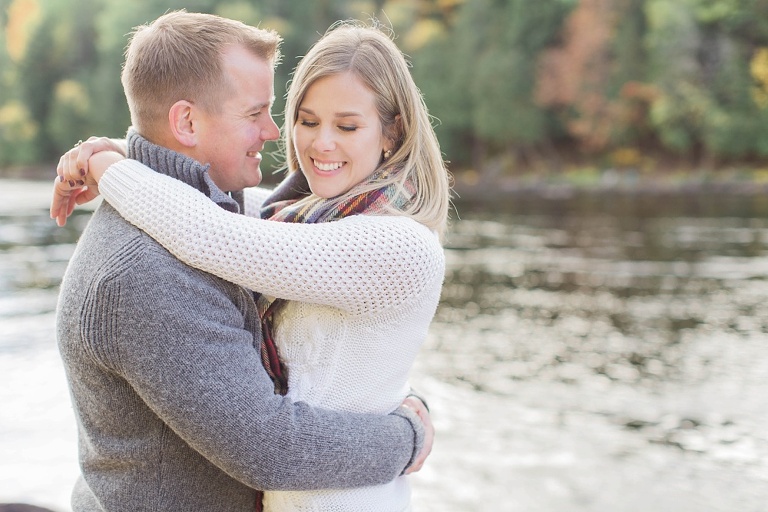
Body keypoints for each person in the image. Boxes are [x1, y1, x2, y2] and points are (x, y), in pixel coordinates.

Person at [50, 11, 434, 512]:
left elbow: (224, 230)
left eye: (347, 125)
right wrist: (406, 439)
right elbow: (271, 447)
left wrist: (118, 161)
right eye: (258, 114)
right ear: (186, 121)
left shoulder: (265, 224)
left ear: (391, 131)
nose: (275, 133)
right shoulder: (147, 271)